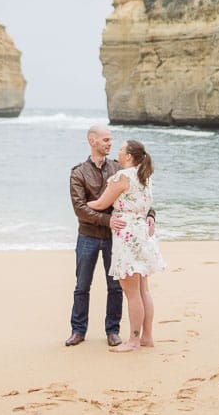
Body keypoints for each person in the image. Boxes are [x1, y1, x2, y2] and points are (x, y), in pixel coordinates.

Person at [66, 125, 154, 347]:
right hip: (88, 235)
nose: (110, 144)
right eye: (105, 140)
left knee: (115, 287)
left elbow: (138, 197)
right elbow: (79, 208)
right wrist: (107, 220)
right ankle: (78, 331)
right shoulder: (78, 172)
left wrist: (151, 214)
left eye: (111, 140)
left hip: (116, 238)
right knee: (82, 285)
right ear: (92, 140)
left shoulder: (120, 168)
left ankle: (112, 331)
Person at [88, 139, 166, 353]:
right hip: (142, 233)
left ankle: (133, 340)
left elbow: (102, 203)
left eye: (121, 149)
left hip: (127, 235)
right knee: (143, 290)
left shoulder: (122, 176)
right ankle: (147, 337)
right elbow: (146, 205)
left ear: (129, 156)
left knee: (131, 293)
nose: (118, 151)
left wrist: (82, 205)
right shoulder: (145, 176)